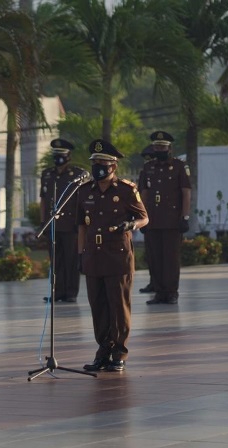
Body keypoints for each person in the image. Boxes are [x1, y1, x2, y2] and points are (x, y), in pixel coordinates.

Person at [77, 139, 149, 372]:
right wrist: (81, 254)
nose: (98, 166)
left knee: (118, 307)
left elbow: (144, 217)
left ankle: (119, 353)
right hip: (93, 256)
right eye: (95, 162)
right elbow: (82, 226)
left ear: (113, 167)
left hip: (117, 256)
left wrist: (131, 225)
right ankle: (103, 350)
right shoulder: (84, 191)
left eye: (103, 163)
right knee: (98, 307)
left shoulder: (127, 190)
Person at [138, 131, 191, 304]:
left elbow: (186, 193)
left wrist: (185, 216)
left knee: (171, 259)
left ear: (169, 148)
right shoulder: (148, 168)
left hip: (172, 221)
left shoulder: (178, 166)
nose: (159, 149)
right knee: (155, 258)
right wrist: (142, 217)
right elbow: (143, 194)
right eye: (156, 146)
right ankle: (159, 292)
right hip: (152, 220)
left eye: (162, 146)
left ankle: (171, 292)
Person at [39, 139, 88, 303]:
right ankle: (57, 292)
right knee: (56, 261)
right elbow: (43, 200)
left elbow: (82, 201)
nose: (58, 158)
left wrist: (80, 223)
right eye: (56, 155)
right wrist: (42, 221)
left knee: (71, 260)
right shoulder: (47, 174)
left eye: (62, 155)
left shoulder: (78, 175)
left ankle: (71, 293)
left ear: (69, 156)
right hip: (52, 224)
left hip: (70, 225)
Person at [137, 144, 157, 294]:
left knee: (163, 255)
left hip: (163, 219)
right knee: (151, 254)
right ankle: (153, 281)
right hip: (148, 219)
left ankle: (163, 284)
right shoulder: (145, 173)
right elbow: (141, 196)